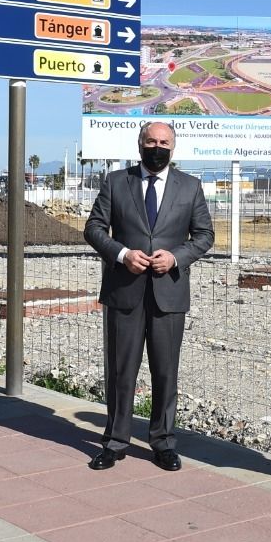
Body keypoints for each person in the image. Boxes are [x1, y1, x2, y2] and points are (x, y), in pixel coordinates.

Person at [83, 121, 214, 470]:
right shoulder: (115, 182)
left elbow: (204, 235)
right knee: (120, 370)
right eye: (151, 141)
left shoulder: (190, 187)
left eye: (164, 142)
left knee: (165, 371)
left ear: (174, 147)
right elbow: (94, 228)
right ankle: (114, 441)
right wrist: (123, 254)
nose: (157, 147)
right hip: (123, 291)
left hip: (168, 293)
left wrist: (176, 257)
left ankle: (164, 442)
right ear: (140, 144)